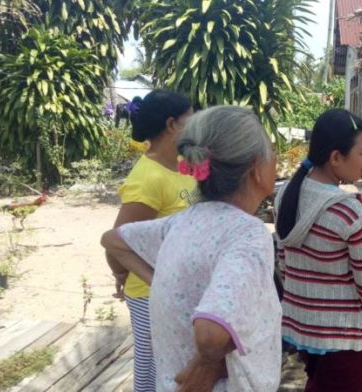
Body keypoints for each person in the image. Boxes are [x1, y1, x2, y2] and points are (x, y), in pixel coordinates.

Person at [101, 106, 281, 391]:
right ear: (256, 168)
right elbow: (210, 335)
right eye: (273, 153)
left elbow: (113, 240)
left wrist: (158, 281)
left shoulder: (183, 221)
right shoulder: (247, 234)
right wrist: (207, 362)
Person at [276, 109, 362, 391]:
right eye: (361, 153)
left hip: (304, 331)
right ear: (336, 157)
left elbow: (285, 263)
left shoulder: (287, 193)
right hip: (344, 341)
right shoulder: (352, 211)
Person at [105, 90, 195, 392]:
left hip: (177, 288)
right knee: (153, 367)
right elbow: (118, 238)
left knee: (176, 366)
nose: (194, 126)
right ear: (172, 125)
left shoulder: (183, 165)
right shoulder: (148, 178)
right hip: (147, 291)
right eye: (190, 119)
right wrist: (120, 273)